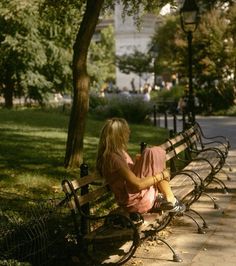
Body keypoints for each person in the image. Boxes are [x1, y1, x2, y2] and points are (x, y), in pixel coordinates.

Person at [96, 117, 185, 214]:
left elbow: (126, 176)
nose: (129, 133)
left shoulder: (119, 153)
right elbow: (138, 185)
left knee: (153, 152)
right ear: (119, 135)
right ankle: (170, 200)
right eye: (126, 131)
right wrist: (162, 175)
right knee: (151, 153)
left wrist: (138, 163)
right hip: (135, 202)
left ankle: (169, 199)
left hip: (139, 197)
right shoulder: (113, 158)